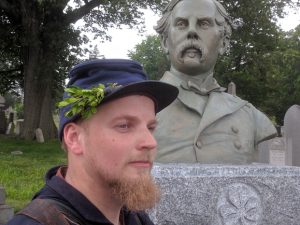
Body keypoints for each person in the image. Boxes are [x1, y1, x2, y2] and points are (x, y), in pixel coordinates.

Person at [6, 59, 178, 225]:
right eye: (124, 126)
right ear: (74, 138)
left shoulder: (133, 217)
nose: (150, 142)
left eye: (150, 127)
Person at [153, 0, 277, 164]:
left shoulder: (249, 115)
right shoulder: (141, 107)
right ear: (164, 42)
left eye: (204, 24)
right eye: (182, 24)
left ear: (223, 43)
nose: (191, 31)